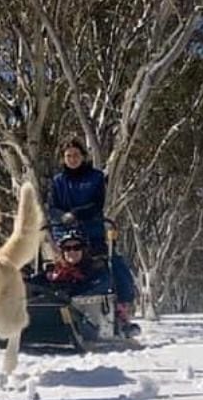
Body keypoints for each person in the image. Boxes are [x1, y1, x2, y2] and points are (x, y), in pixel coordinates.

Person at [48, 138, 140, 336]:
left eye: (76, 155)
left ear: (83, 156)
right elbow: (52, 207)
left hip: (91, 232)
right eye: (68, 156)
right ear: (63, 159)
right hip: (63, 233)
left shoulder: (95, 177)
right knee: (47, 269)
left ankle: (122, 314)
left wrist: (76, 215)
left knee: (115, 264)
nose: (72, 159)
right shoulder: (58, 181)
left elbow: (96, 204)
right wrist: (62, 218)